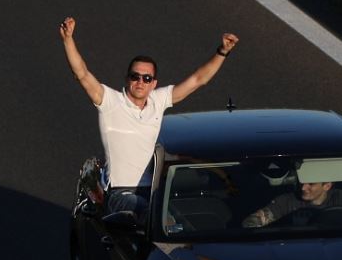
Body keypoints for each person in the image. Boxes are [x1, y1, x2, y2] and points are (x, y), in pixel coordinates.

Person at [60, 16, 239, 214]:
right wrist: (68, 39)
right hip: (120, 194)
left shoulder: (158, 100)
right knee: (151, 215)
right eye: (135, 76)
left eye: (147, 78)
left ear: (154, 83)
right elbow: (82, 74)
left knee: (183, 216)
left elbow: (198, 80)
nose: (140, 82)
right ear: (127, 79)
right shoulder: (110, 101)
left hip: (153, 190)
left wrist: (222, 52)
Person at [242, 180, 342, 228]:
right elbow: (250, 223)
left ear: (327, 186)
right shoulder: (286, 201)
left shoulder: (339, 197)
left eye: (311, 184)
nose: (303, 188)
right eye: (302, 182)